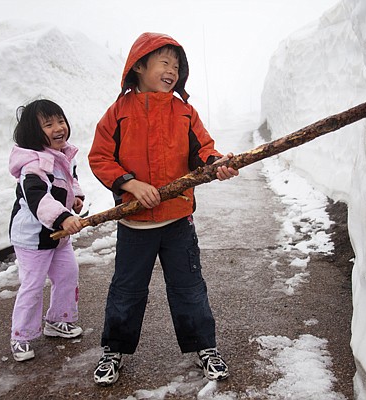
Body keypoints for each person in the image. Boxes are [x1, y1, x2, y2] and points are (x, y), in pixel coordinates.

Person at [88, 32, 239, 386]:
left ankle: (205, 347)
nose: (172, 70)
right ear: (139, 66)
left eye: (177, 65)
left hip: (177, 221)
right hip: (135, 225)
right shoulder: (118, 113)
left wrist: (217, 163)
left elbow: (204, 149)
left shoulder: (184, 111)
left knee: (189, 289)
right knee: (126, 291)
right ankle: (114, 351)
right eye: (164, 62)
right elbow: (100, 157)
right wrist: (129, 182)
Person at [8, 99, 85, 362]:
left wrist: (76, 197)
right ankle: (21, 335)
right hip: (32, 238)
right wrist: (63, 216)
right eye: (48, 124)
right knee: (33, 284)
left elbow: (70, 181)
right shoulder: (33, 165)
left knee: (68, 274)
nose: (58, 128)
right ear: (33, 132)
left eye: (60, 121)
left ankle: (58, 320)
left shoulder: (63, 154)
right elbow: (38, 197)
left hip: (58, 236)